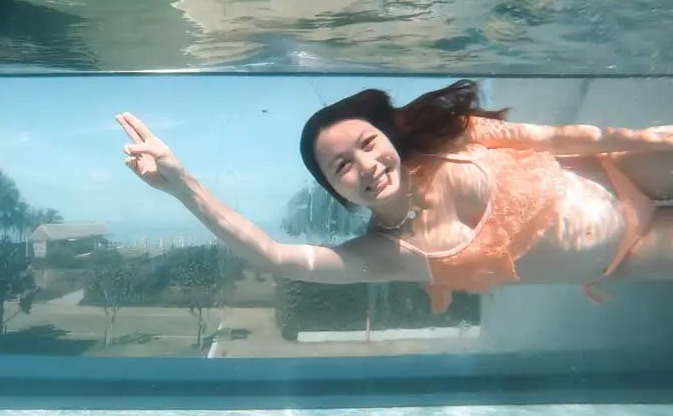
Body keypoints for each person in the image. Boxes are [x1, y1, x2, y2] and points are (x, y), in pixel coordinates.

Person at [116, 80, 673, 313]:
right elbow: (275, 256)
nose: (366, 166)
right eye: (342, 167)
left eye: (367, 144)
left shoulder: (455, 140)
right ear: (336, 191)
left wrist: (646, 140)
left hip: (625, 171)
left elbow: (555, 138)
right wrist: (181, 184)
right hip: (626, 254)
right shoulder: (390, 254)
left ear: (388, 138)